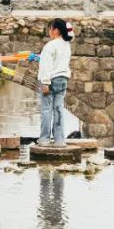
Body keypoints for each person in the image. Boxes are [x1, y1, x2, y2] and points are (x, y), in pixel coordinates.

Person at [37, 17, 73, 147]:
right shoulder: (67, 45)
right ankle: (59, 140)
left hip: (51, 80)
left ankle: (44, 139)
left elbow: (46, 66)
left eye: (50, 28)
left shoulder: (50, 46)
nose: (49, 31)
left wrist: (45, 83)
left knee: (47, 110)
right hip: (62, 80)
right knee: (59, 110)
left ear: (56, 30)